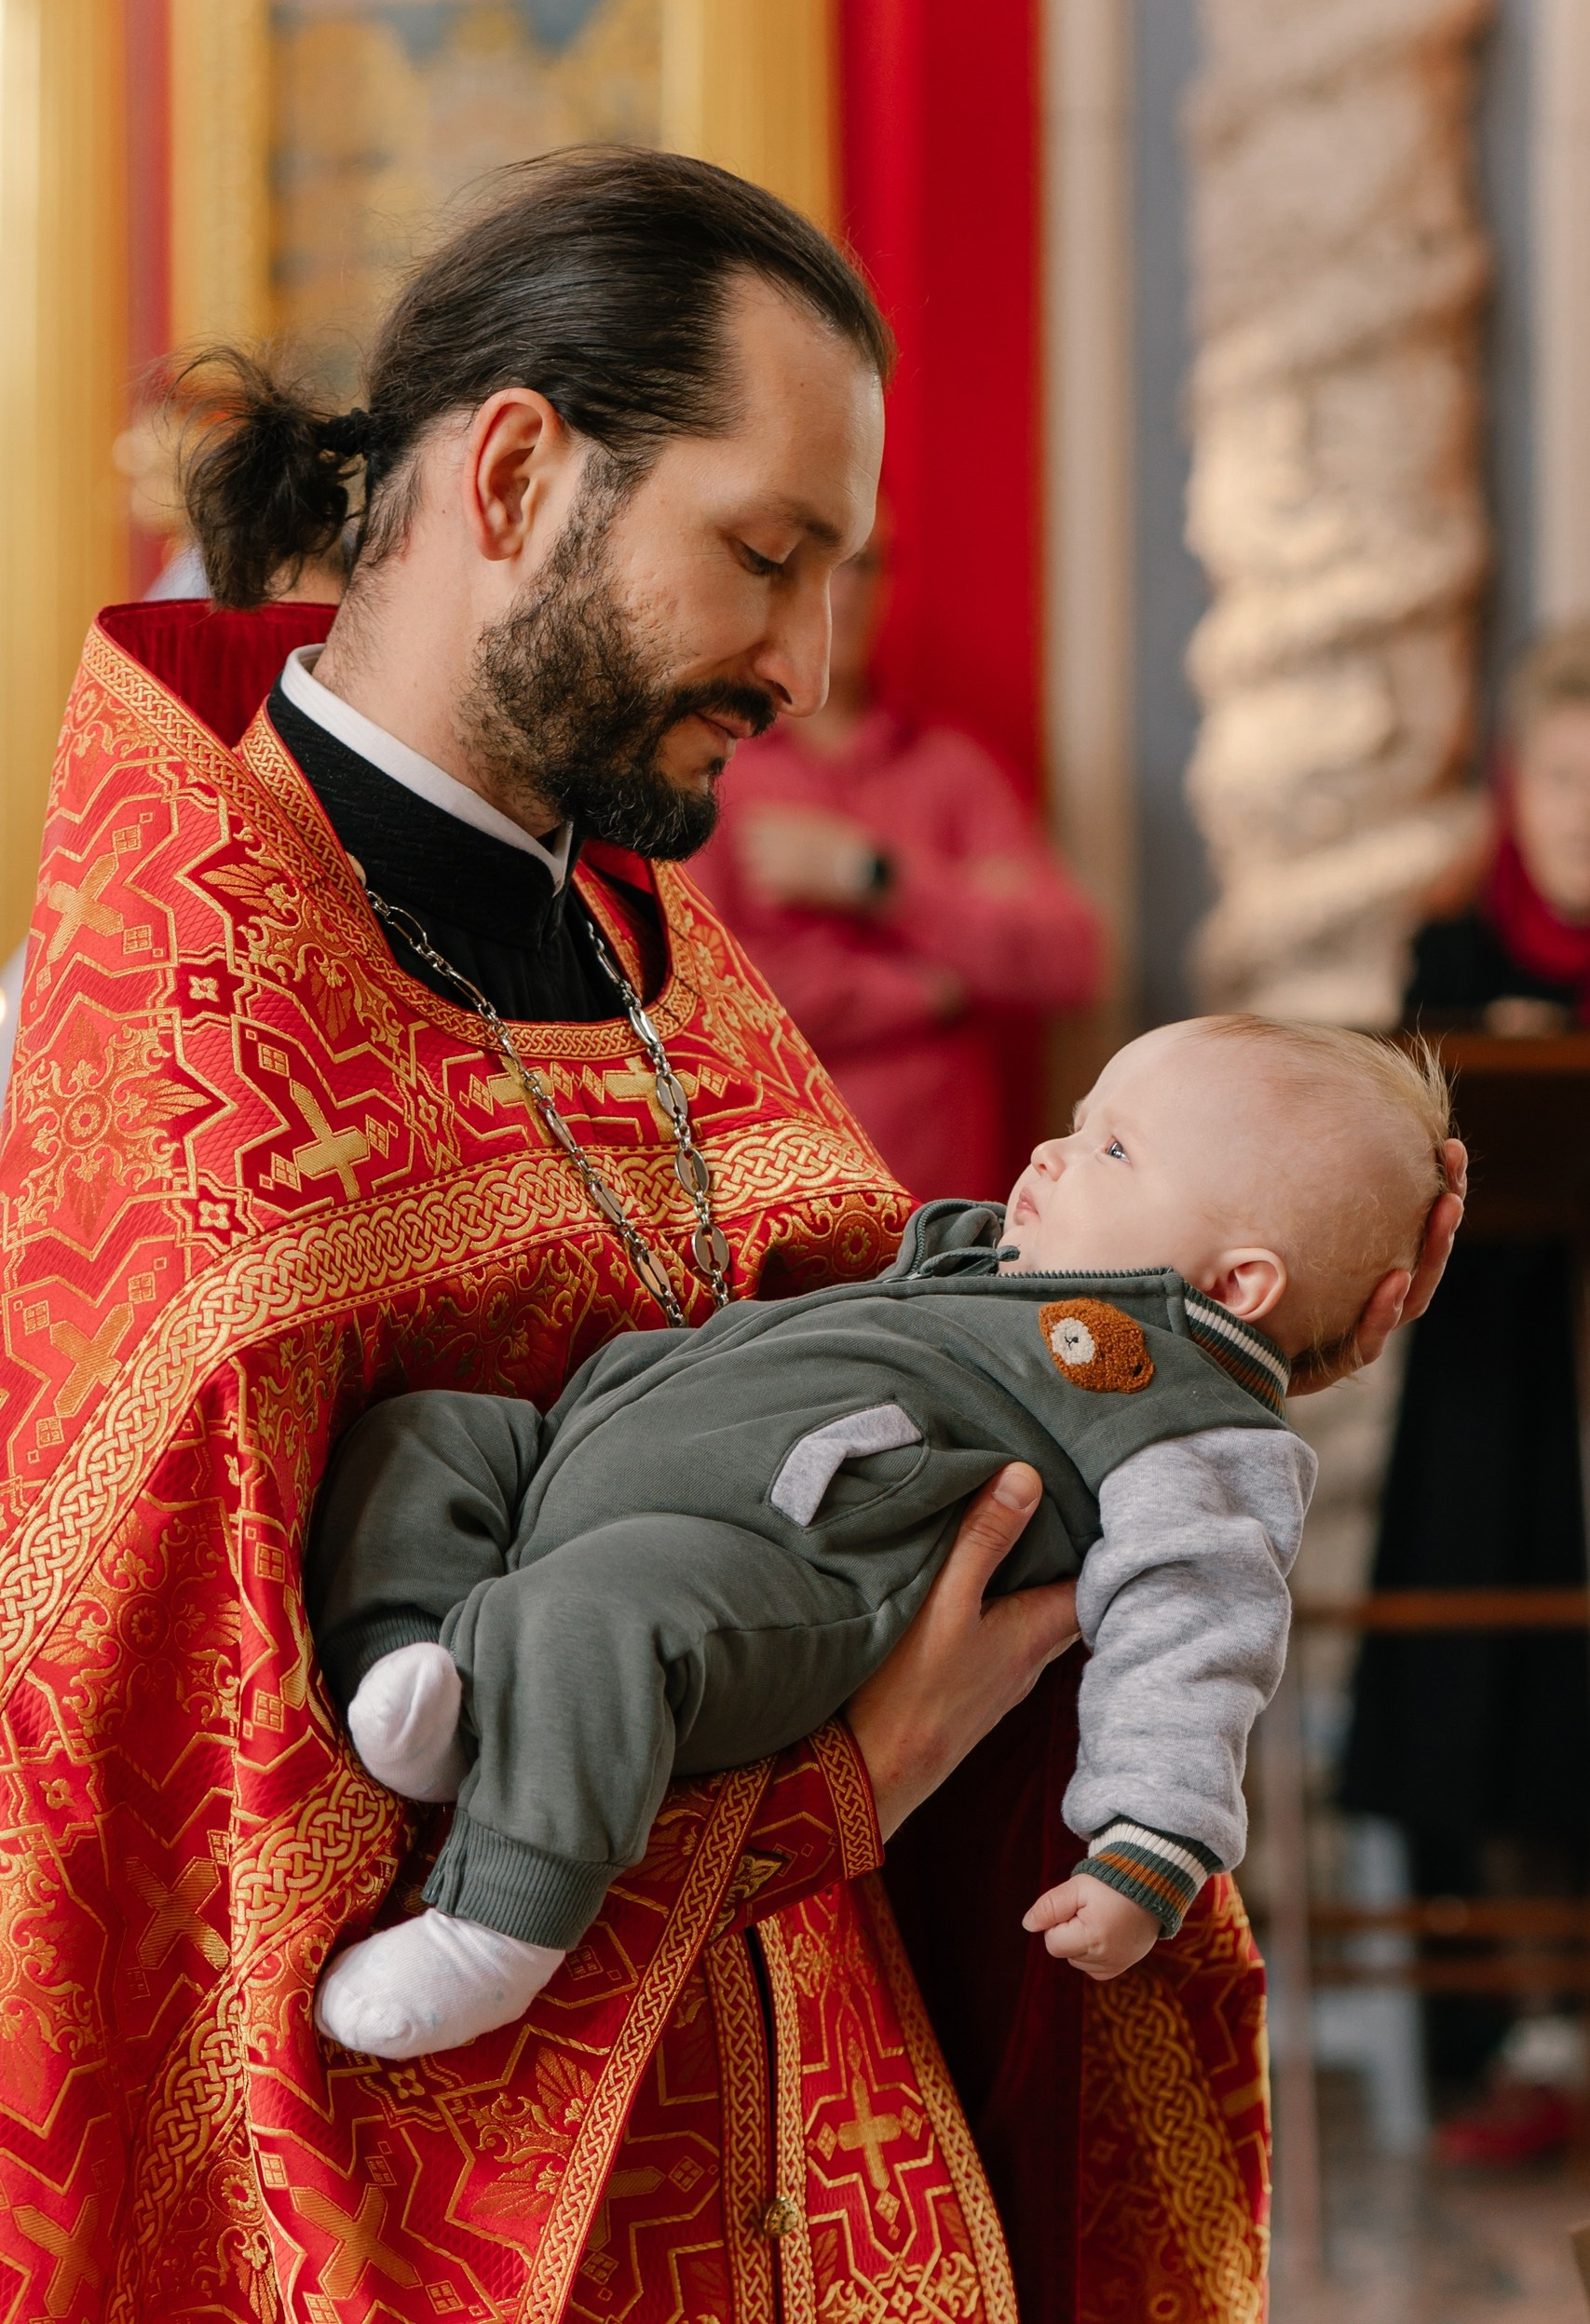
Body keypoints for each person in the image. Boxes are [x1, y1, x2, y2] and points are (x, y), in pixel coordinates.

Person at [0, 149, 1462, 2324]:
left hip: (855, 2162)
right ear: (515, 476)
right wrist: (832, 1781)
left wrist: (1237, 1330)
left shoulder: (644, 940)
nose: (801, 658)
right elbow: (190, 1861)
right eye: (762, 555)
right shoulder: (183, 1022)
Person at [307, 1014, 1448, 2062]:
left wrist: (1148, 1841)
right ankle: (419, 1669)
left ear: (1239, 1282)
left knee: (589, 1619)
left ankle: (495, 1927)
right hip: (582, 1454)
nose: (1050, 1153)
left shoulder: (1181, 1412)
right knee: (423, 1437)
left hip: (771, 1568)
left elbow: (1196, 1621)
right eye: (1078, 1121)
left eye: (1113, 1150)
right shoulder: (1002, 1268)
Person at [1344, 624, 1590, 2164]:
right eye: (1562, 777)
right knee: (1494, 1694)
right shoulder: (1452, 947)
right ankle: (1527, 2029)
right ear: (1515, 782)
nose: (1583, 814)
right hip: (1498, 1404)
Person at [689, 505, 1100, 1197]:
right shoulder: (712, 768)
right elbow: (718, 1000)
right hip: (774, 1191)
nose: (846, 590)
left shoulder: (953, 769)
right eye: (817, 564)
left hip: (945, 1207)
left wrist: (874, 874)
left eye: (865, 565)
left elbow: (1072, 958)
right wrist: (937, 985)